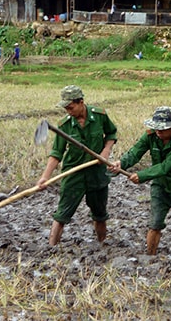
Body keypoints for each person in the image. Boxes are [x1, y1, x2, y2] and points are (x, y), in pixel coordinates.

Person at [109, 106, 171, 256]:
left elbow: (166, 166)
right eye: (156, 128)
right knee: (155, 224)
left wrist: (142, 175)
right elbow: (135, 152)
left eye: (162, 129)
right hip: (160, 186)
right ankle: (150, 257)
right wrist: (121, 163)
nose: (158, 132)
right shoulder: (150, 136)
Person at [36, 85, 117, 246]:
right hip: (74, 174)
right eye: (66, 108)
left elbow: (111, 134)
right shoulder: (64, 125)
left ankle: (102, 245)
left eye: (71, 107)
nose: (69, 111)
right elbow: (56, 153)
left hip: (97, 173)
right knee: (62, 214)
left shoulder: (99, 115)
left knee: (100, 215)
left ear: (81, 102)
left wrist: (106, 151)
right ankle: (51, 248)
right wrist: (45, 177)